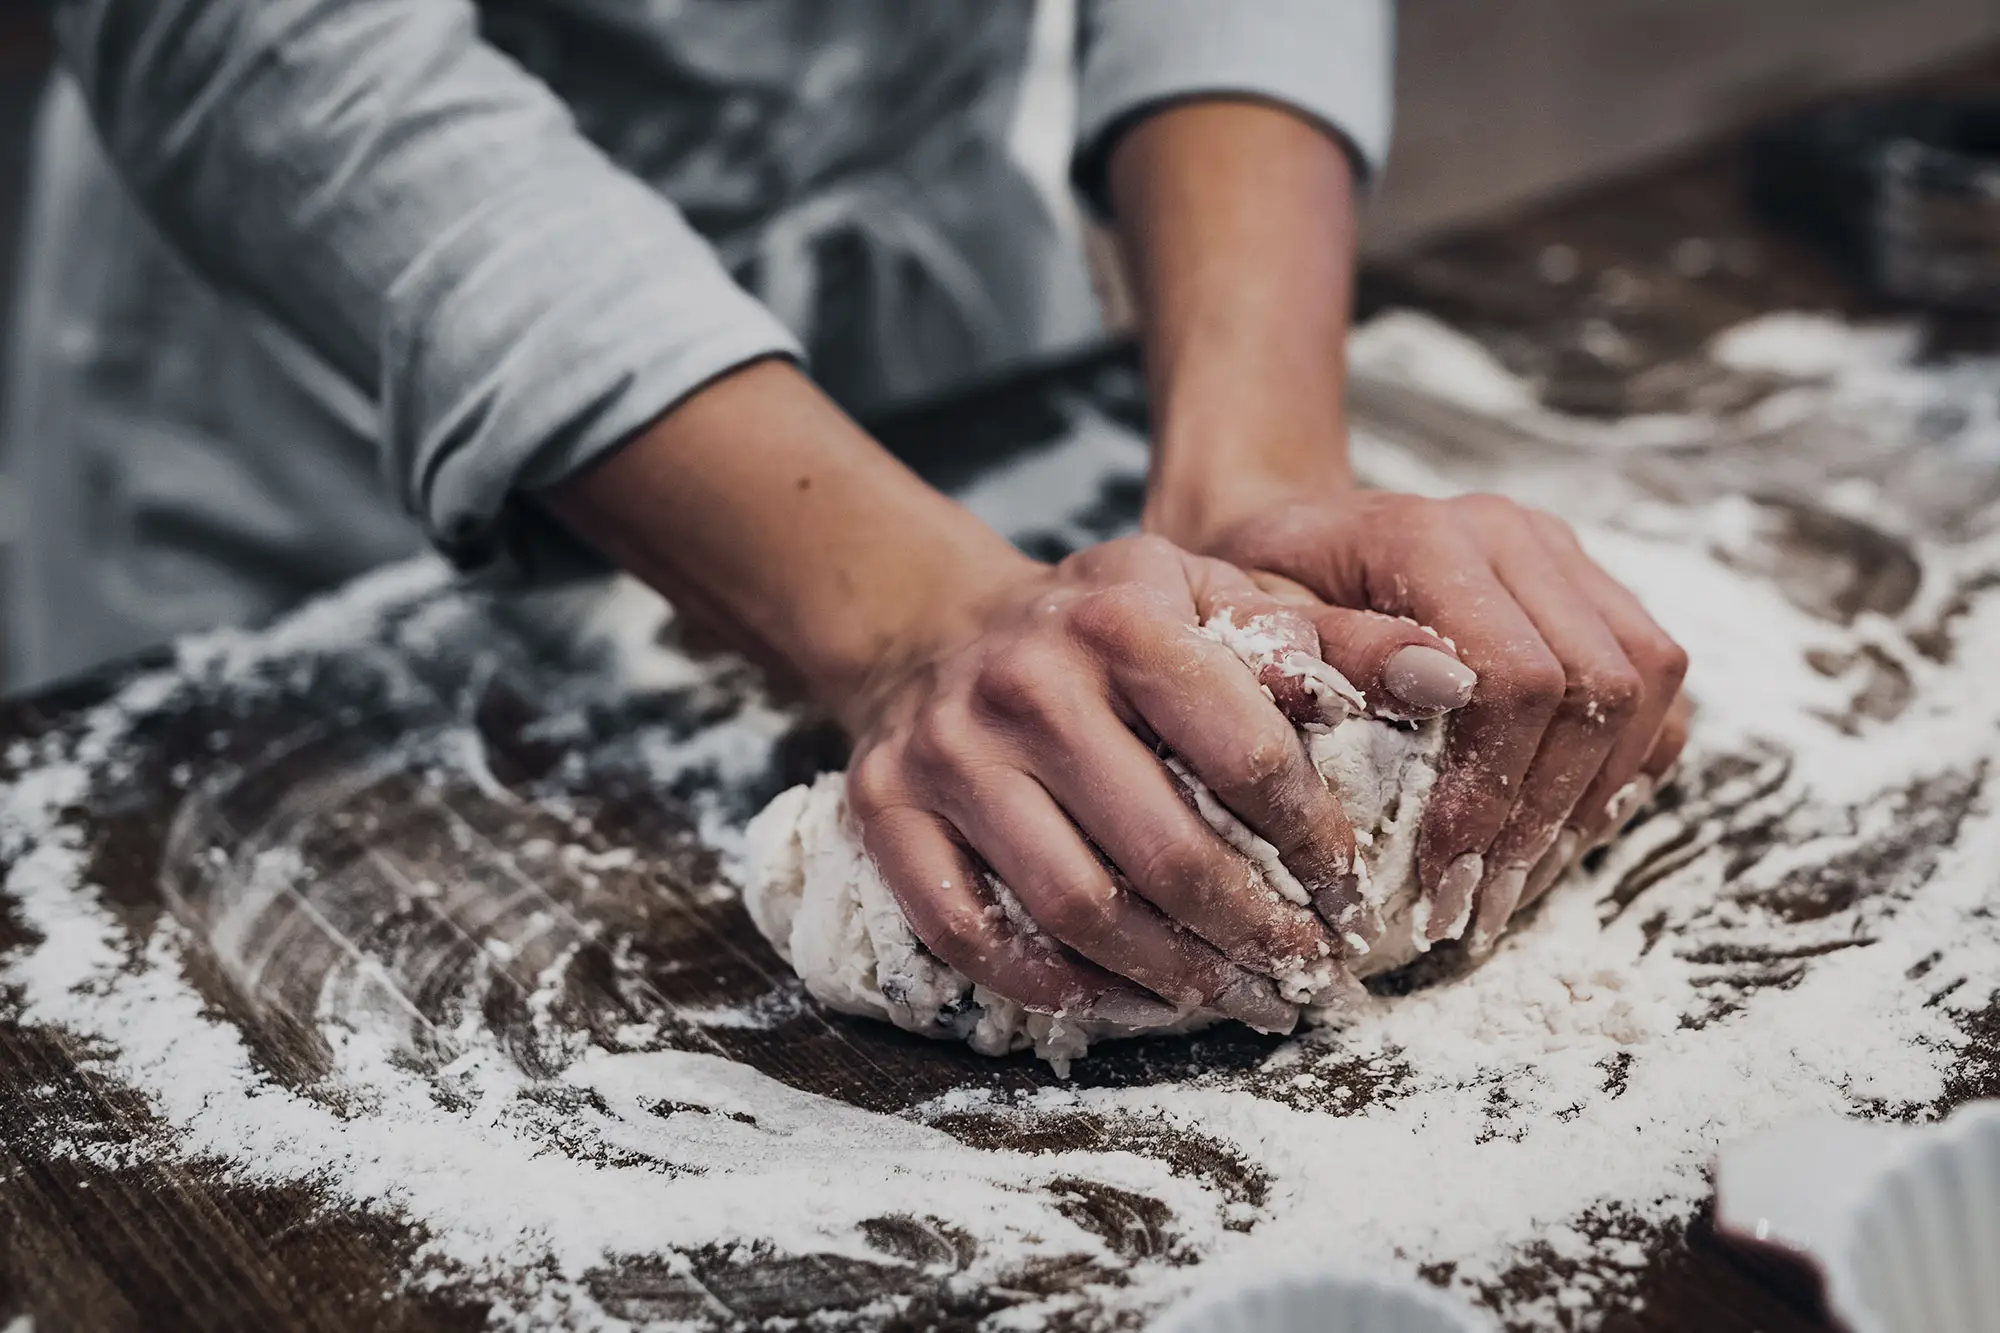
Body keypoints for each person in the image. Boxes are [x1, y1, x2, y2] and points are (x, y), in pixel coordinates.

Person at [5, 1, 1686, 1029]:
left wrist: (1257, 477)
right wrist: (908, 617)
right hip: (343, 357)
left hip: (925, 313)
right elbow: (262, 35)